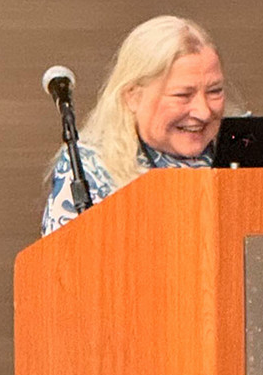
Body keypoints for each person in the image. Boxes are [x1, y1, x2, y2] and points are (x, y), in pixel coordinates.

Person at [41, 15, 226, 236]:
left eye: (214, 91)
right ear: (133, 96)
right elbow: (63, 264)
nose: (204, 111)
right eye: (183, 95)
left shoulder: (245, 152)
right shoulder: (90, 166)